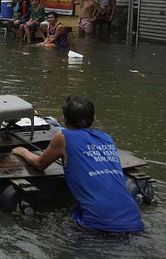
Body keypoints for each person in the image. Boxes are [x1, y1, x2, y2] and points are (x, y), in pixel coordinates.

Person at [12, 96, 144, 233]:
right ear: (94, 118)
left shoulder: (63, 137)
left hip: (96, 222)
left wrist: (23, 151)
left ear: (65, 119)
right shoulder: (106, 138)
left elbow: (39, 164)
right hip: (133, 218)